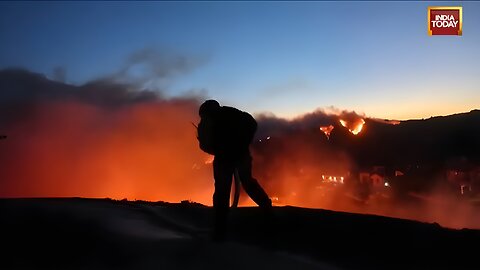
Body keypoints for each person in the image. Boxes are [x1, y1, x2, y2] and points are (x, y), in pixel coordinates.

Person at [197, 100, 272, 241]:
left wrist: (218, 148)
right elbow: (252, 124)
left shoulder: (210, 120)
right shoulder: (232, 113)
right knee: (247, 183)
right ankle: (267, 209)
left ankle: (220, 230)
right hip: (240, 154)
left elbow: (205, 143)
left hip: (224, 158)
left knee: (222, 191)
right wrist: (243, 143)